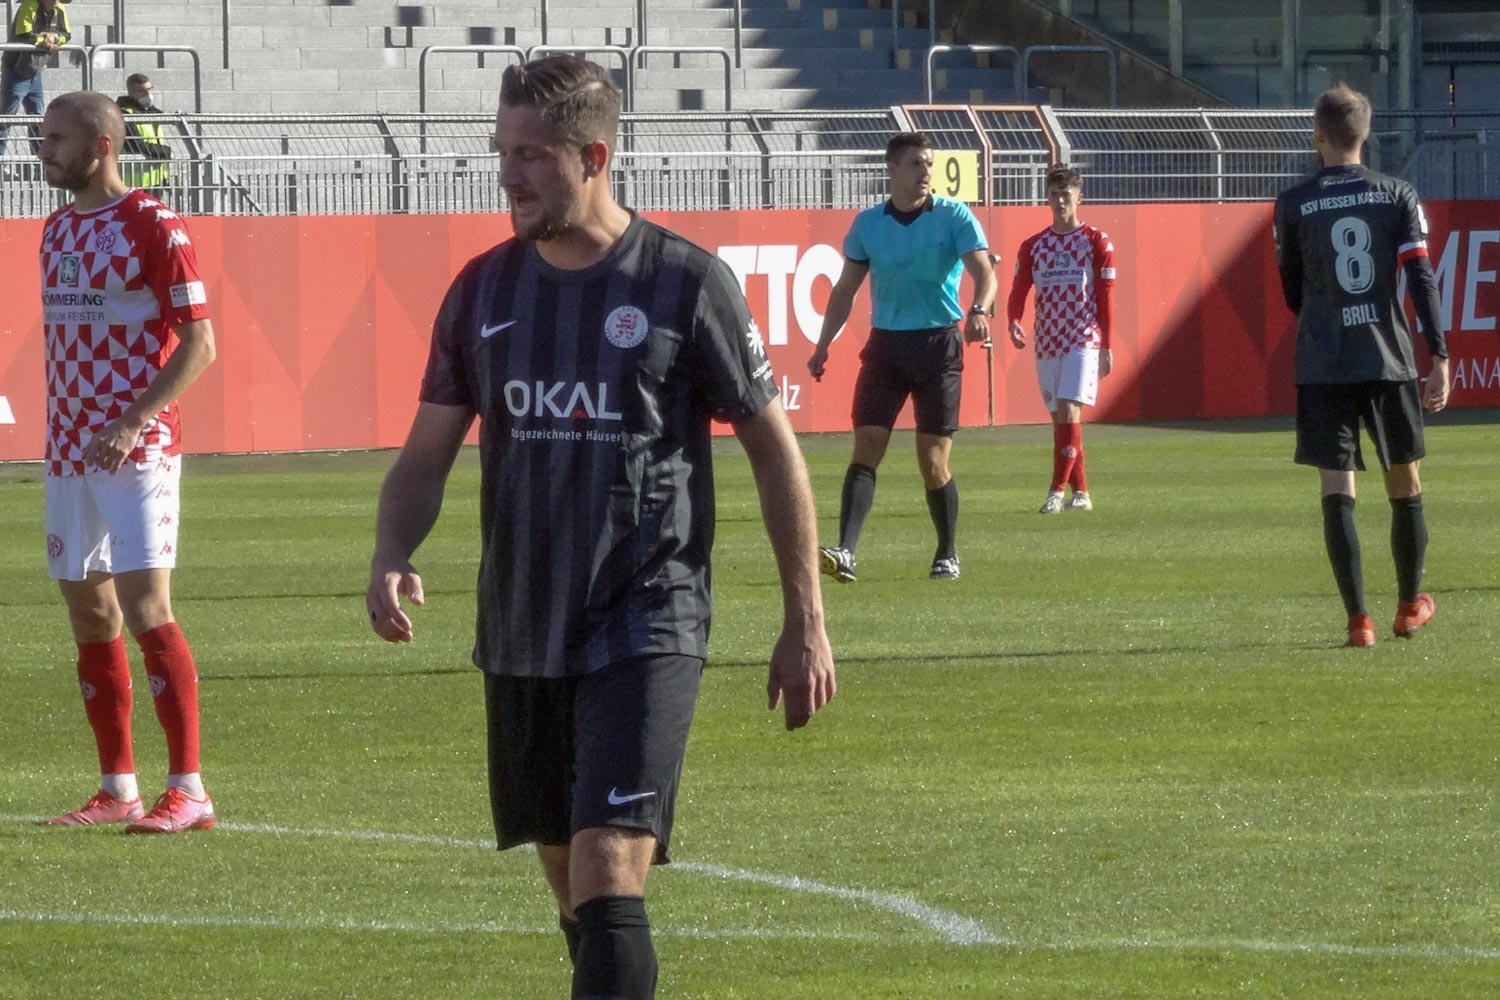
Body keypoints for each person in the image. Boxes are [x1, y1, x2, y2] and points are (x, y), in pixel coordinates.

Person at [366, 55, 835, 999]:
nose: (509, 175)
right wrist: (390, 550)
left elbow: (775, 452)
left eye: (532, 156)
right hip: (522, 625)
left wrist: (806, 618)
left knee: (608, 863)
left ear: (594, 156)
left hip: (646, 618)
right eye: (502, 153)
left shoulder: (684, 282)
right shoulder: (482, 291)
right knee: (564, 868)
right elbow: (425, 455)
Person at [34, 91, 218, 832]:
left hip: (139, 446)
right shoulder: (55, 227)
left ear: (102, 145)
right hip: (68, 448)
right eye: (41, 138)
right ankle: (118, 788)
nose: (43, 150)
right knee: (90, 609)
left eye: (56, 139)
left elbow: (200, 343)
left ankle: (190, 789)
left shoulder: (152, 223)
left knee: (146, 608)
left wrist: (134, 418)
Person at [1273, 83, 1449, 648]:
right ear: (1366, 133)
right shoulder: (1397, 193)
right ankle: (1409, 607)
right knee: (1406, 482)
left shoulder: (1293, 203)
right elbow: (1420, 279)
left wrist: (1327, 314)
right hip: (1386, 358)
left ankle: (1358, 622)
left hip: (1323, 361)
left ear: (1317, 134)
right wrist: (1439, 354)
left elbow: (1292, 292)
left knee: (1336, 487)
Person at [806, 131, 996, 583]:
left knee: (932, 461)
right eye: (916, 164)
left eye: (929, 163)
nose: (925, 171)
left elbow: (985, 273)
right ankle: (846, 552)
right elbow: (845, 290)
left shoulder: (953, 216)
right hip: (887, 348)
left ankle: (947, 552)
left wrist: (979, 310)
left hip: (938, 347)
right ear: (892, 169)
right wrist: (822, 344)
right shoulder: (868, 225)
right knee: (867, 445)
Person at [1006, 163, 1116, 514]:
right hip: (1048, 338)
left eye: (1066, 194)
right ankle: (1080, 493)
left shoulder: (1096, 241)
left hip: (1082, 336)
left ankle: (1055, 492)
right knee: (1062, 419)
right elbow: (1019, 288)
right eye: (1054, 195)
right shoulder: (1034, 246)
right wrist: (1013, 320)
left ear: (1079, 197)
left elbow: (1105, 296)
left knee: (1069, 409)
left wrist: (1107, 345)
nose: (1060, 201)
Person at [1, 0, 71, 160]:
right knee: (5, 118)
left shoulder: (60, 8)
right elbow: (23, 34)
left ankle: (41, 164)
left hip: (35, 70)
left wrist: (54, 38)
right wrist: (44, 39)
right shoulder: (29, 5)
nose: (56, 3)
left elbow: (67, 34)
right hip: (16, 70)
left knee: (38, 120)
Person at [116, 72, 172, 198]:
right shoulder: (125, 114)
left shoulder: (152, 113)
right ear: (132, 93)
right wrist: (166, 152)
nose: (149, 94)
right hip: (132, 183)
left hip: (155, 180)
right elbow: (135, 145)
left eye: (150, 89)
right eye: (143, 91)